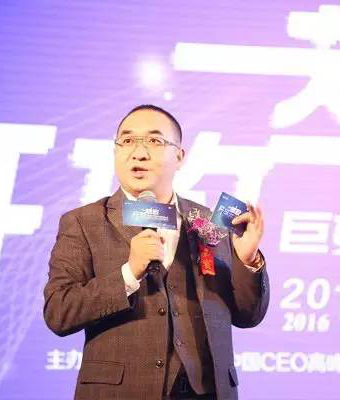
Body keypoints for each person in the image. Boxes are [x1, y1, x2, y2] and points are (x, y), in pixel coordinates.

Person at [43, 104, 269, 399]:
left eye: (154, 140)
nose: (138, 153)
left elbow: (247, 316)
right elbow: (59, 312)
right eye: (127, 141)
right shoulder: (84, 222)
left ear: (179, 156)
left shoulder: (208, 222)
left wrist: (247, 261)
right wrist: (128, 273)